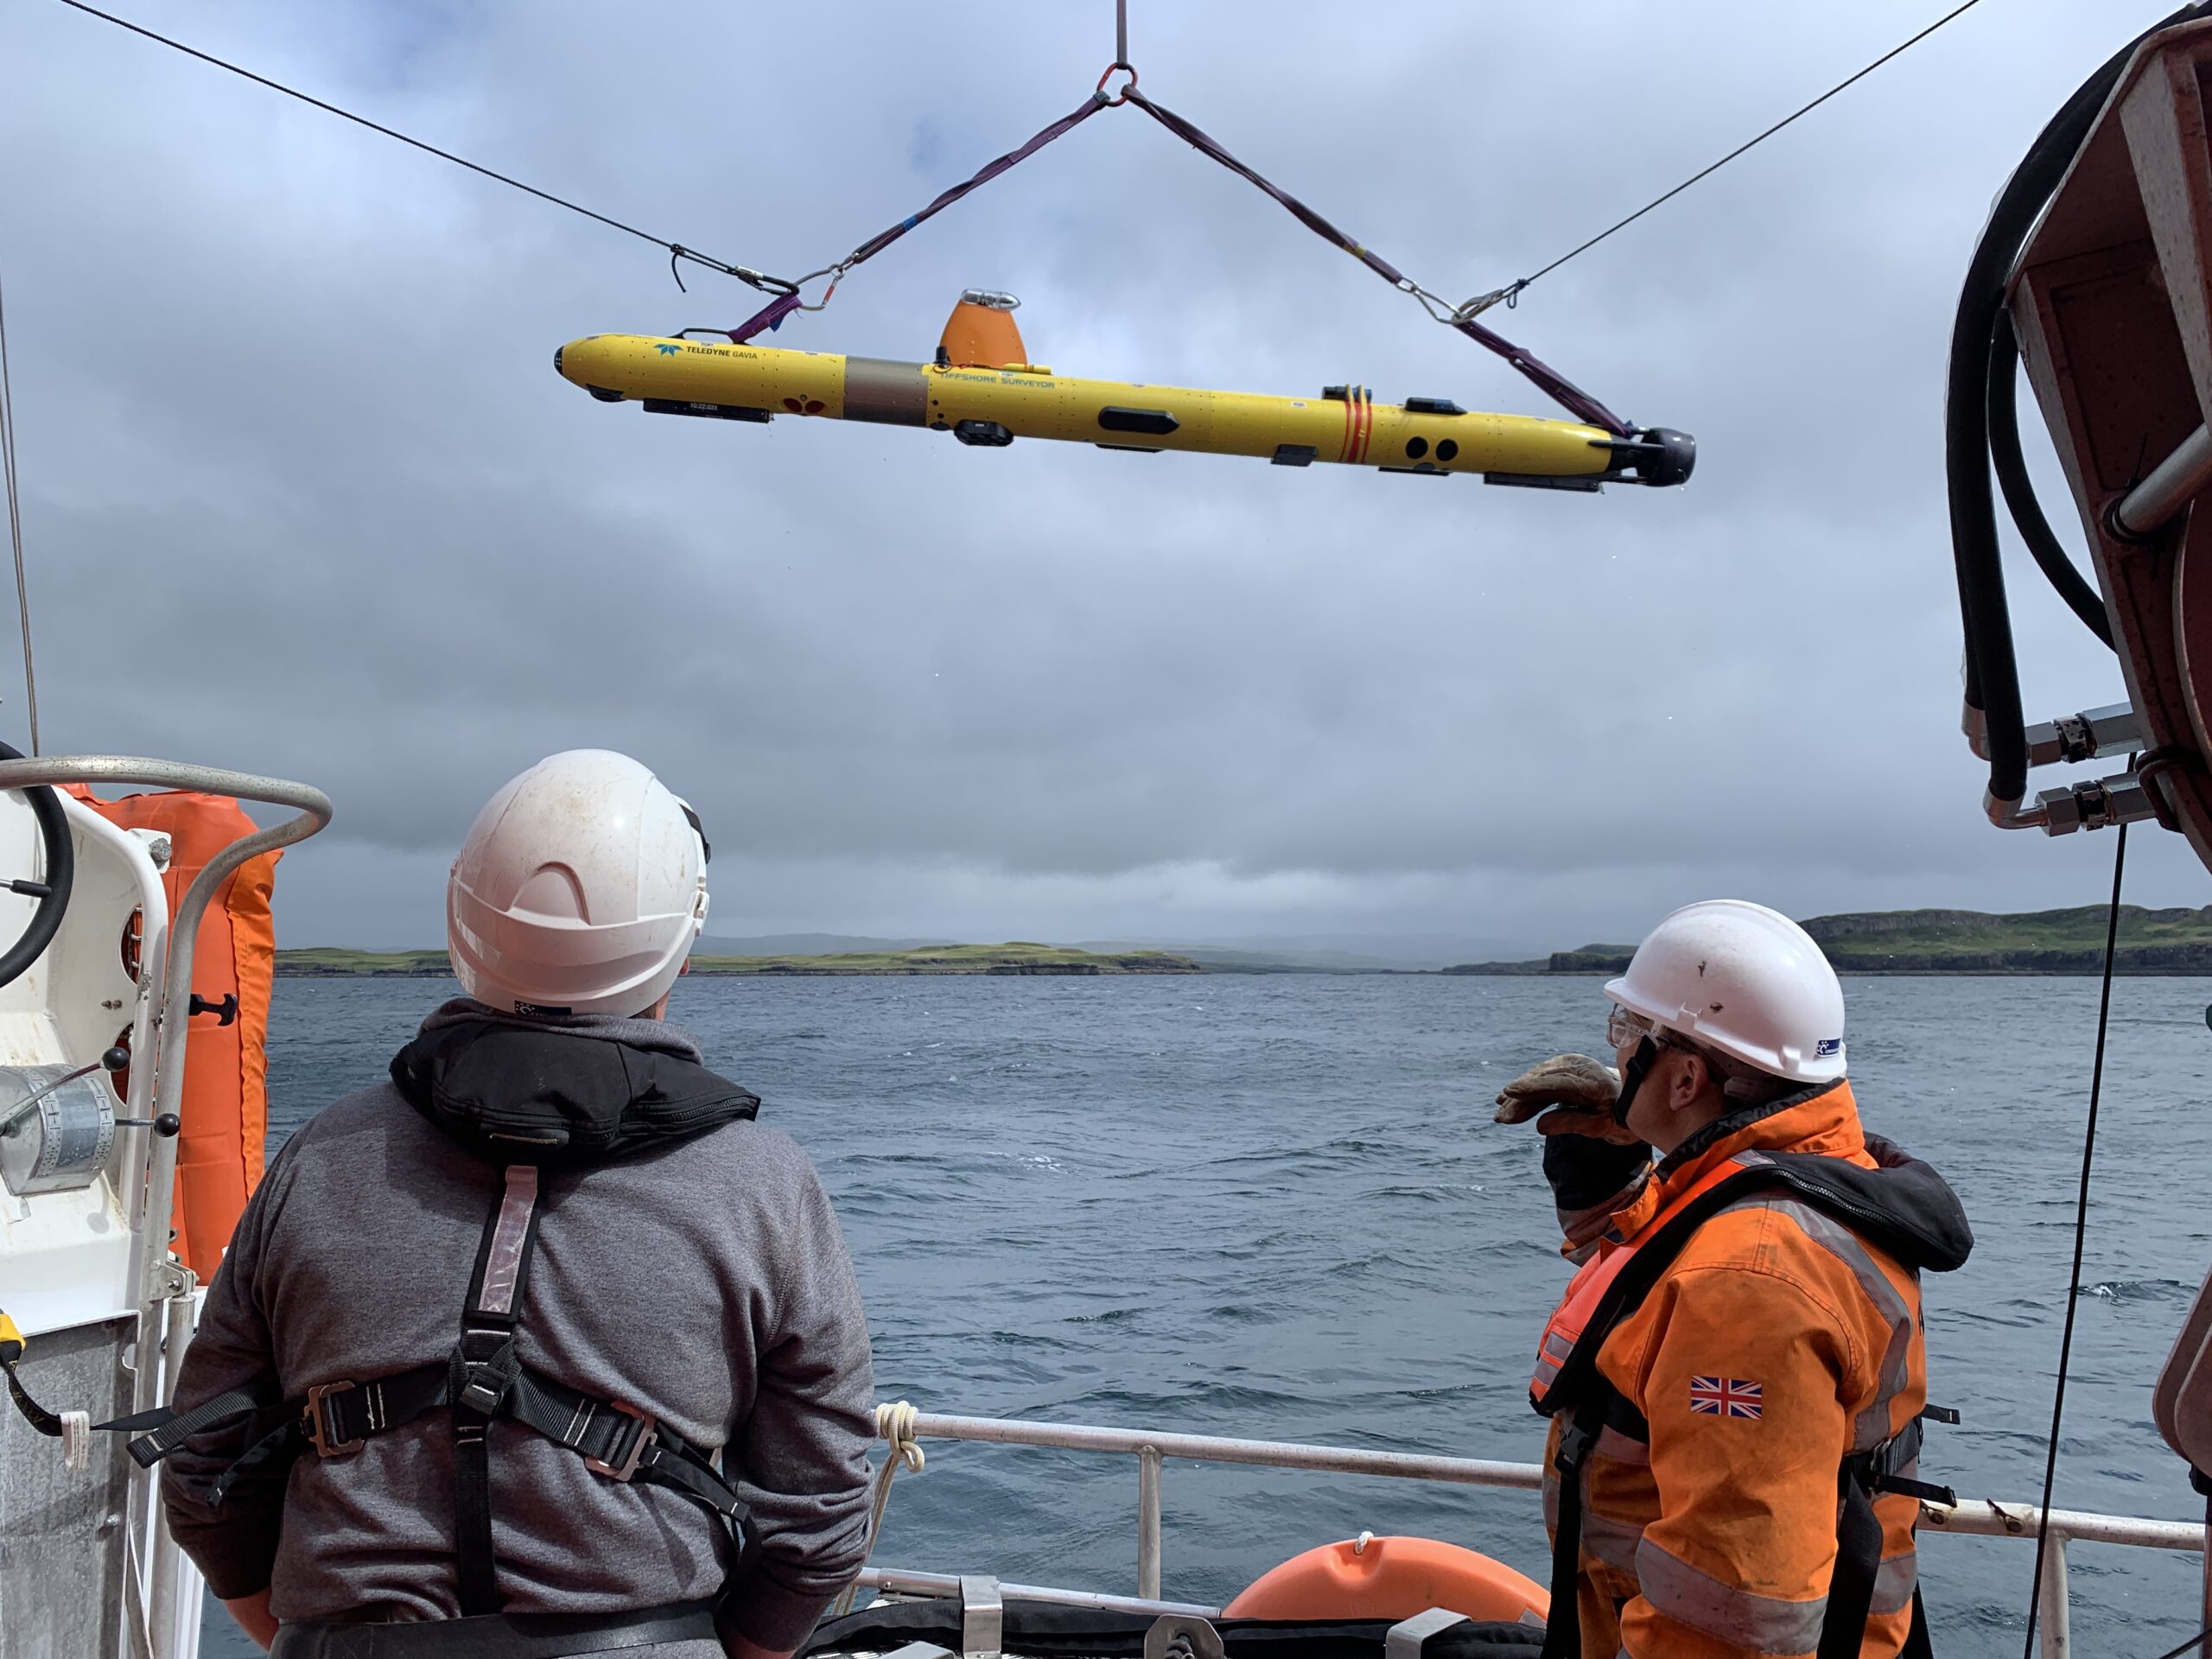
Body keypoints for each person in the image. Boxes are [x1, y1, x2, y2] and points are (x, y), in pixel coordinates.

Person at [145, 750, 876, 1659]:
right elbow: (820, 1504)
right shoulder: (763, 1184)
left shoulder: (320, 1156)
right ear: (680, 946)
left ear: (461, 918)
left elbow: (205, 1459)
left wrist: (308, 1637)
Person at [1493, 900, 1973, 1659]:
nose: (1615, 1057)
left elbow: (1732, 1617)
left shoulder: (1748, 1281)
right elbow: (1650, 1303)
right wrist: (1606, 1178)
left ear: (1684, 1077)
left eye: (1628, 1034)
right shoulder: (1788, 1188)